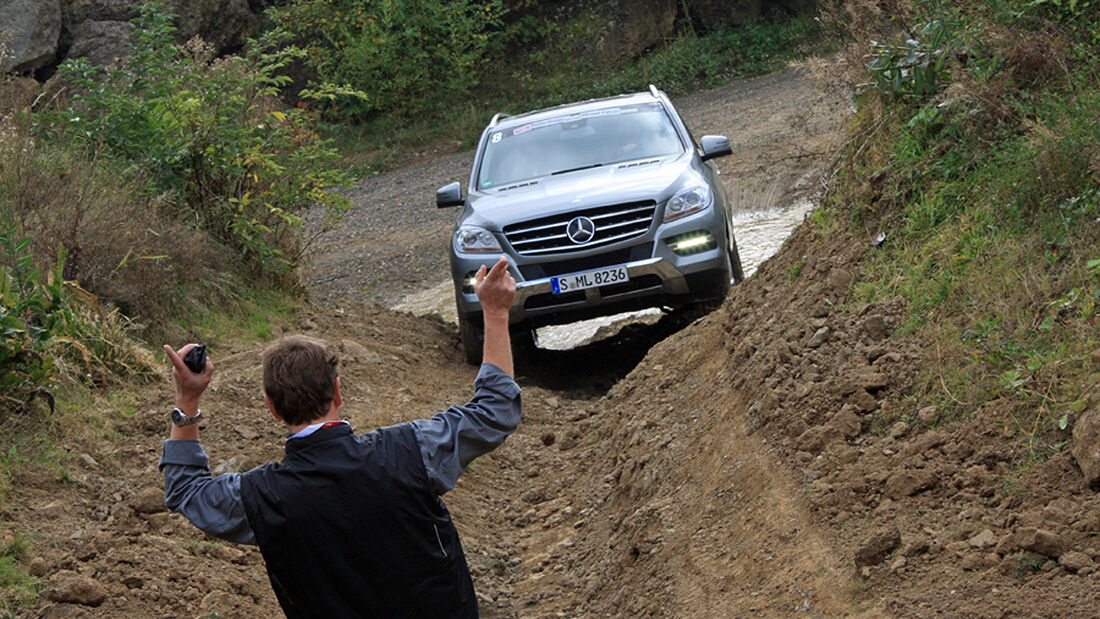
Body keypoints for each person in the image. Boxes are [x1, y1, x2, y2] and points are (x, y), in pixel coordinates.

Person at [158, 256, 521, 618]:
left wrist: (187, 399)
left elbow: (186, 491)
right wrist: (494, 312)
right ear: (337, 391)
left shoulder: (259, 497)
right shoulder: (412, 450)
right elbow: (495, 410)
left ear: (272, 408)